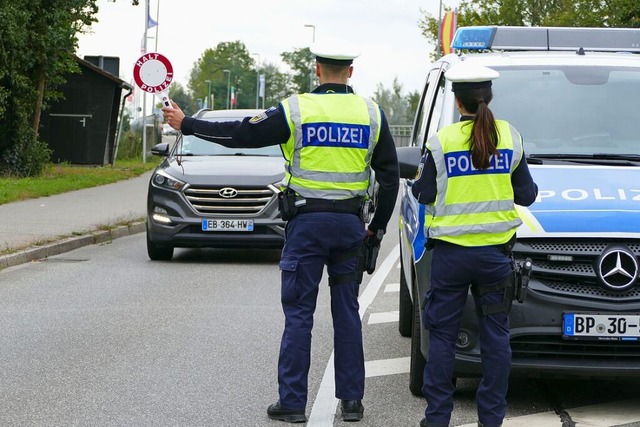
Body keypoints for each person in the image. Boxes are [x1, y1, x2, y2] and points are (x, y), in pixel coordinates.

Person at [162, 44, 399, 424]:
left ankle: (292, 404)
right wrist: (377, 228)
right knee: (348, 314)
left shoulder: (296, 109)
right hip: (350, 225)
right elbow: (389, 179)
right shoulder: (372, 113)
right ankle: (352, 402)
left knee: (299, 315)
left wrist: (188, 124)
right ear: (350, 72)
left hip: (307, 225)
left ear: (318, 69)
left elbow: (241, 134)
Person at [411, 61, 538, 427]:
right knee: (497, 337)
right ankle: (491, 420)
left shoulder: (442, 142)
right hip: (495, 258)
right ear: (490, 97)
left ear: (456, 100)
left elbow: (423, 192)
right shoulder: (510, 137)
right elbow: (527, 195)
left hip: (451, 258)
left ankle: (437, 418)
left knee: (442, 339)